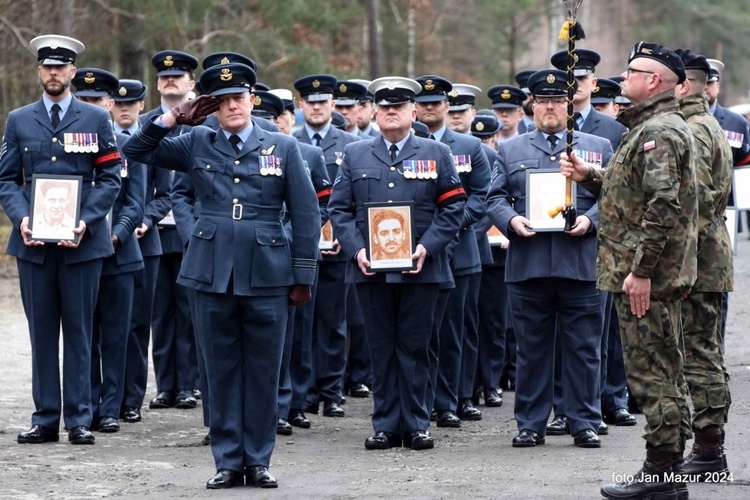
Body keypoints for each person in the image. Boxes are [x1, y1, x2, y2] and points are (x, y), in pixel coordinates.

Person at [122, 62, 319, 489]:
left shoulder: (282, 146)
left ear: (251, 99)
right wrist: (173, 118)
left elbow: (306, 214)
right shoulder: (195, 140)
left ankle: (259, 459)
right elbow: (134, 151)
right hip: (210, 270)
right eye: (223, 100)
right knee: (220, 368)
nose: (233, 106)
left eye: (239, 97)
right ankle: (228, 460)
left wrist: (304, 275)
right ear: (210, 105)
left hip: (268, 272)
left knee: (264, 370)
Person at [561, 41, 697, 499]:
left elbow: (664, 206)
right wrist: (589, 177)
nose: (624, 77)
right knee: (658, 371)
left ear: (654, 81)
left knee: (653, 375)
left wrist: (640, 270)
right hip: (643, 273)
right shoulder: (645, 129)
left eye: (632, 71)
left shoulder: (659, 131)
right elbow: (634, 193)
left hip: (647, 279)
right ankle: (667, 472)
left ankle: (661, 474)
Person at [328, 76, 467, 451]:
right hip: (369, 269)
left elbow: (453, 207)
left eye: (400, 107)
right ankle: (387, 424)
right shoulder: (355, 154)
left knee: (416, 347)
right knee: (380, 347)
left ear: (413, 111)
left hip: (421, 269)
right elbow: (339, 209)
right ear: (374, 111)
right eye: (385, 107)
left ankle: (417, 423)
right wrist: (356, 250)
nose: (391, 112)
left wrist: (428, 247)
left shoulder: (436, 153)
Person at [0, 34, 122, 446]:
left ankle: (79, 418)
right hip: (33, 245)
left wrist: (86, 220)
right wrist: (22, 219)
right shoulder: (19, 119)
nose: (53, 73)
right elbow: (6, 180)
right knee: (42, 333)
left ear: (72, 72)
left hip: (82, 243)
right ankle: (45, 417)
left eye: (61, 67)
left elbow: (109, 178)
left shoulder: (96, 119)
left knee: (80, 331)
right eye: (47, 67)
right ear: (39, 71)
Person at [486, 69, 613, 450]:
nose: (550, 107)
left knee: (585, 349)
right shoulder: (510, 149)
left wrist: (591, 221)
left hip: (582, 263)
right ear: (533, 105)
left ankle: (585, 421)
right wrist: (511, 220)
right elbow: (493, 198)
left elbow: (616, 200)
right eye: (542, 101)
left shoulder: (596, 148)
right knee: (531, 350)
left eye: (557, 101)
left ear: (569, 106)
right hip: (530, 263)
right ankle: (530, 423)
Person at [71, 67, 146, 434]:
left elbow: (135, 202)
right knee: (84, 334)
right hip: (77, 251)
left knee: (117, 335)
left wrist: (116, 234)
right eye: (82, 100)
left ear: (109, 104)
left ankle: (111, 407)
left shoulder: (127, 145)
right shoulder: (66, 144)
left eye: (95, 100)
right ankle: (85, 402)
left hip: (119, 253)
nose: (89, 106)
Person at [415, 75, 490, 427]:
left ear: (449, 106)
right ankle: (424, 400)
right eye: (423, 102)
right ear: (415, 106)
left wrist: (453, 223)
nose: (429, 107)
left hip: (460, 250)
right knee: (422, 331)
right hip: (416, 251)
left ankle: (455, 398)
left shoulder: (470, 147)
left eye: (436, 102)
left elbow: (482, 196)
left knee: (455, 329)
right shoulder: (406, 144)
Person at [674, 48, 733, 482]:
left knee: (699, 356)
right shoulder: (705, 123)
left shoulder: (693, 129)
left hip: (696, 262)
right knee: (702, 352)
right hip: (702, 260)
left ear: (684, 84)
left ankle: (709, 451)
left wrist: (678, 264)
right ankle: (708, 450)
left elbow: (695, 204)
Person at [293, 74, 359, 418]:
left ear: (333, 105)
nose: (317, 107)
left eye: (323, 101)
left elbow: (354, 200)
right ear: (300, 106)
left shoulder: (350, 144)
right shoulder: (287, 143)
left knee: (333, 323)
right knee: (301, 325)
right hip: (303, 248)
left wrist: (343, 238)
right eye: (310, 101)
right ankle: (302, 394)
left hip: (338, 249)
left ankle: (332, 390)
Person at [141, 49, 200, 411]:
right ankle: (166, 385)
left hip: (196, 229)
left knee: (192, 310)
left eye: (177, 76)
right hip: (157, 230)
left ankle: (190, 385)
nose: (170, 81)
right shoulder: (150, 123)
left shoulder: (205, 121)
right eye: (164, 77)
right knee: (161, 312)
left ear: (191, 83)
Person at [117, 78, 171, 425]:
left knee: (138, 324)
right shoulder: (98, 137)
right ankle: (105, 395)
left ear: (141, 105)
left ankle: (131, 398)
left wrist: (146, 220)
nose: (124, 109)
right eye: (118, 104)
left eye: (131, 104)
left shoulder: (152, 139)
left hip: (144, 243)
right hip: (105, 242)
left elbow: (165, 193)